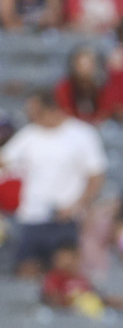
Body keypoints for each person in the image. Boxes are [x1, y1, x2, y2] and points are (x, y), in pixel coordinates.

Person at [0, 90, 107, 276]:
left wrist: (77, 206)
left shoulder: (82, 134)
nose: (30, 117)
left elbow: (96, 177)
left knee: (64, 272)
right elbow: (5, 160)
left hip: (65, 217)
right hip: (32, 217)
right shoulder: (30, 134)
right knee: (26, 271)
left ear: (51, 110)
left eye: (34, 113)